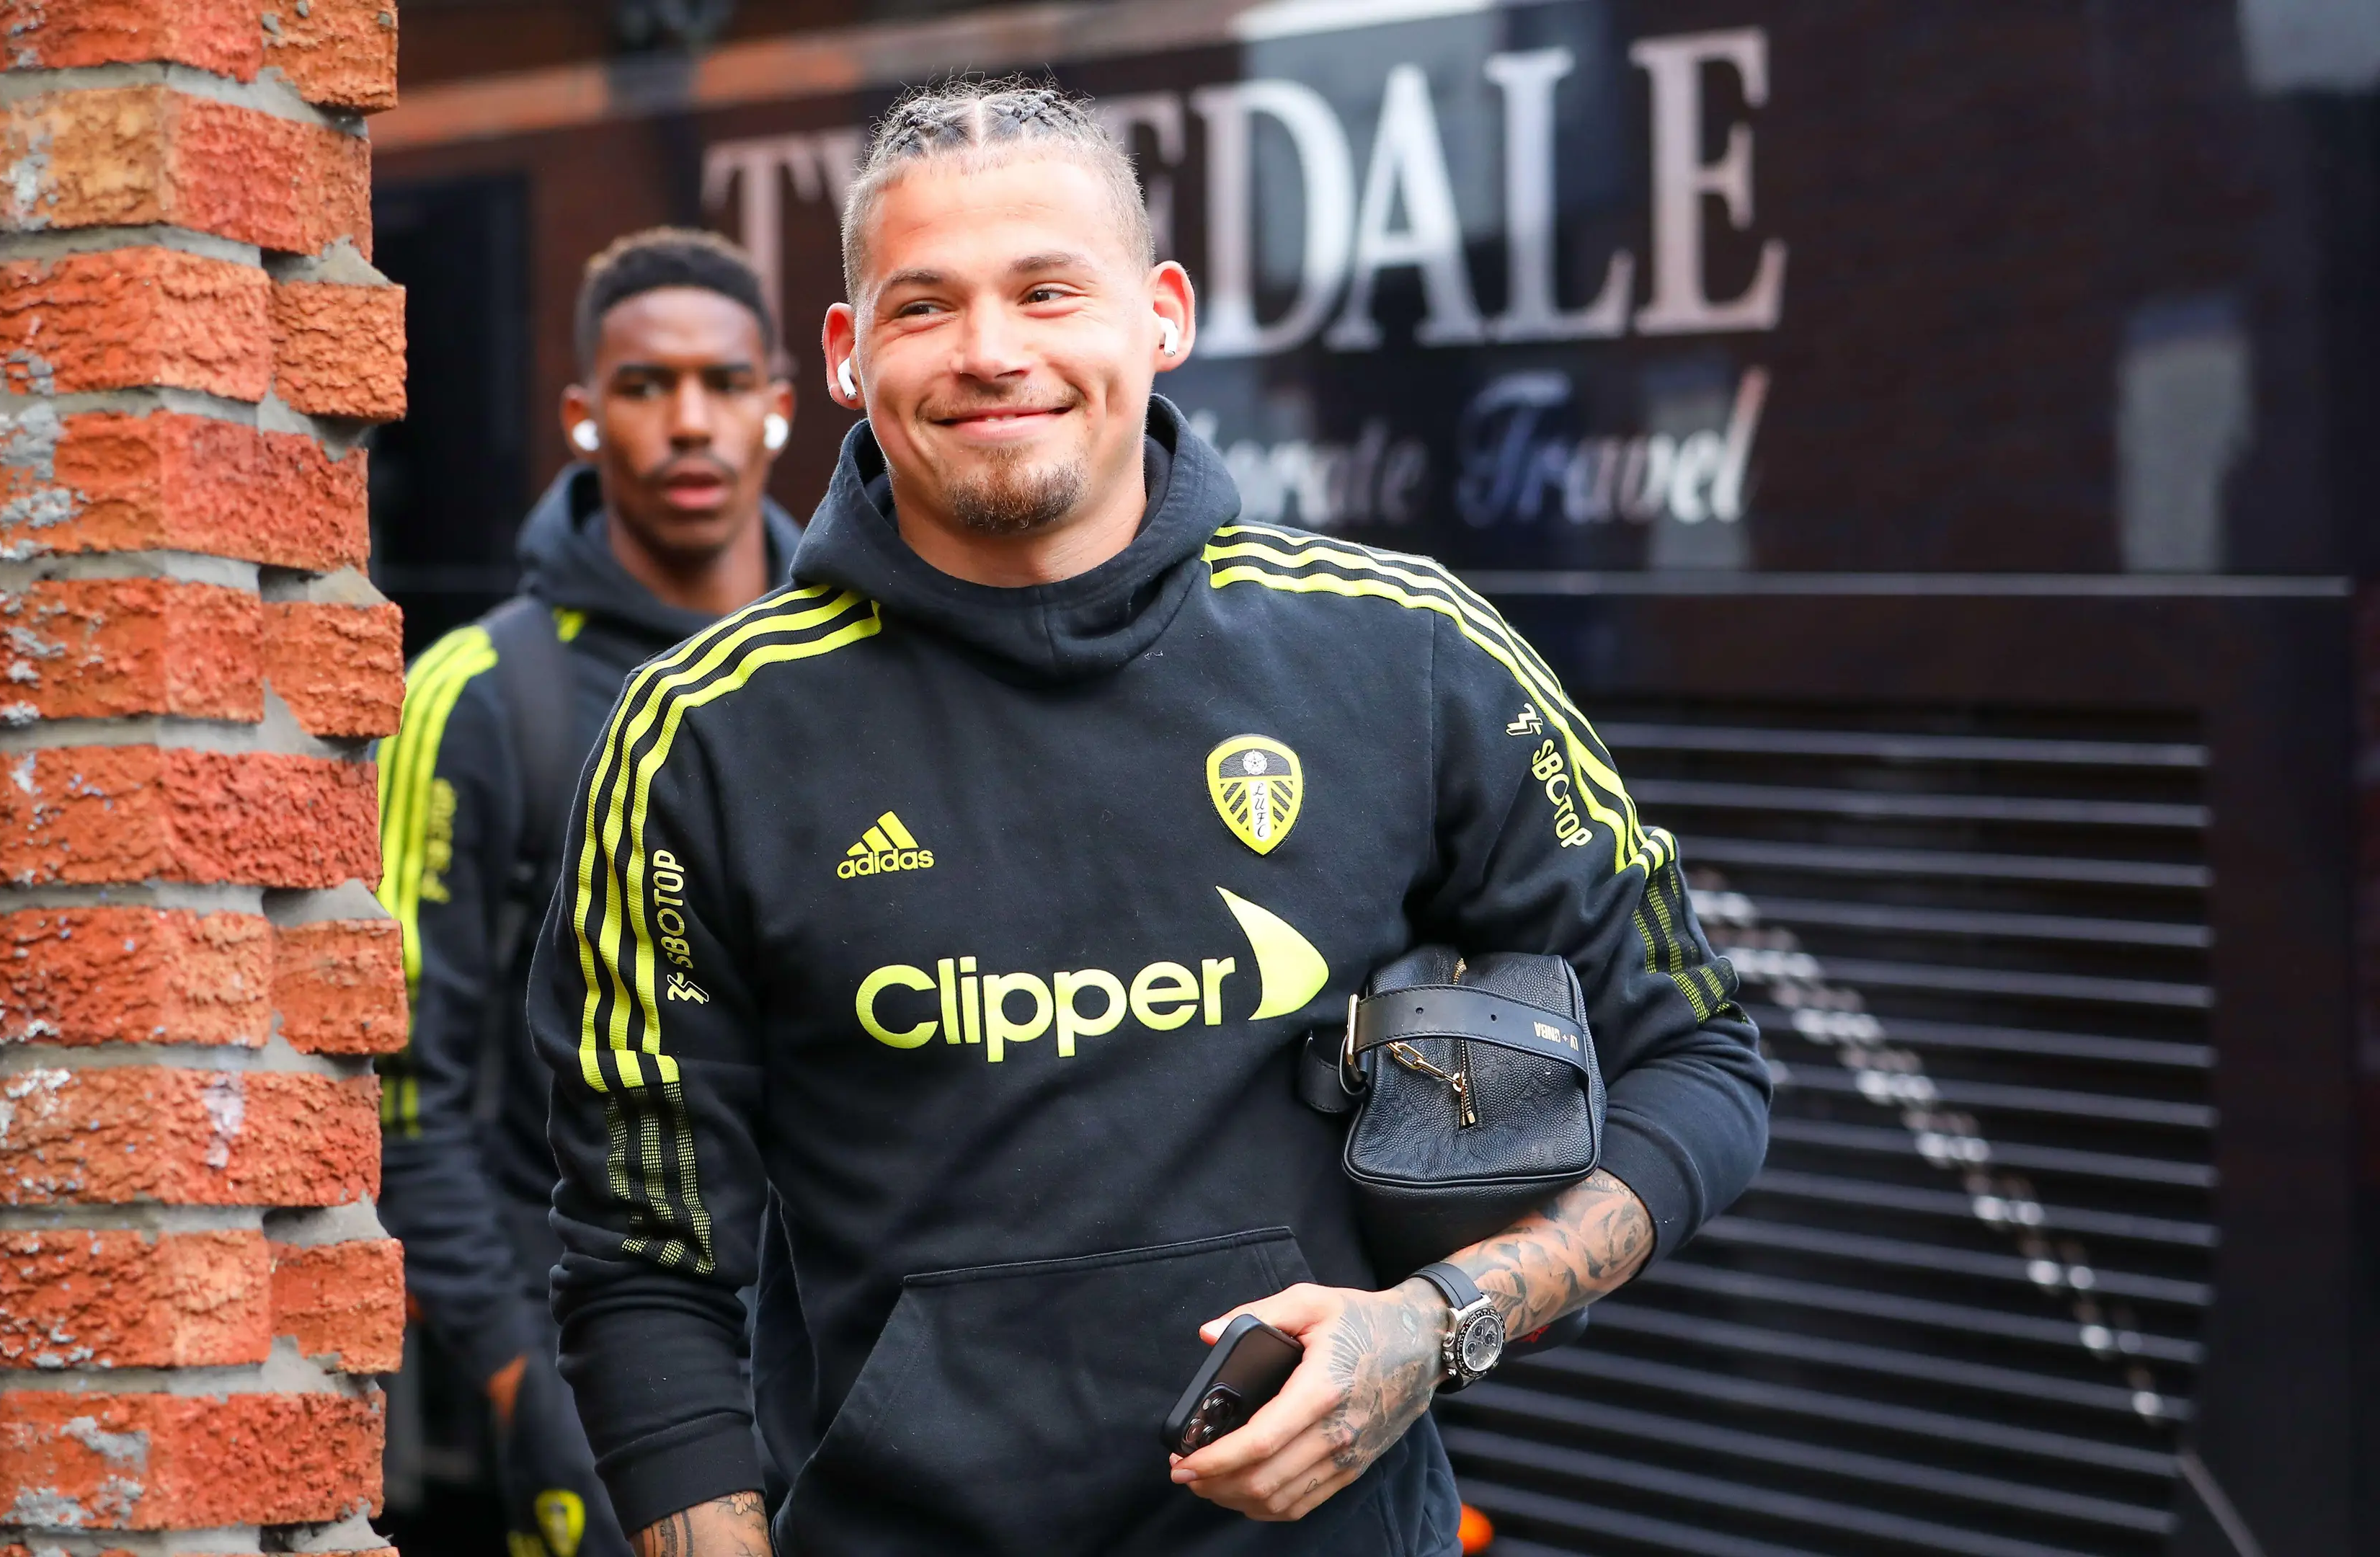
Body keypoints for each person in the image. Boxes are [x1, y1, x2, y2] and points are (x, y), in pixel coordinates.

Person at [533, 81, 1771, 1556]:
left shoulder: (1411, 650)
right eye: (925, 307)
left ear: (1162, 315)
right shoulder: (704, 736)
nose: (994, 352)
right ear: (851, 356)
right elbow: (641, 1263)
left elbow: (1695, 1058)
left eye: (1049, 290)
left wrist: (1438, 1327)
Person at [376, 226, 801, 1557]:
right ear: (581, 415)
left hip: (842, 1370)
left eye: (726, 384)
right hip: (591, 1369)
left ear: (782, 404)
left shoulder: (860, 668)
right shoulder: (482, 695)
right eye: (643, 386)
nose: (690, 422)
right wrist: (525, 1389)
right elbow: (400, 1094)